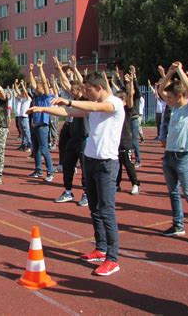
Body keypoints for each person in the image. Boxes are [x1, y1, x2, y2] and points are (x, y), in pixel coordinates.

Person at [28, 71, 125, 276]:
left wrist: (70, 101)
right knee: (94, 208)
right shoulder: (92, 105)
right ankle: (100, 248)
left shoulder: (114, 103)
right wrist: (44, 108)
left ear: (99, 88)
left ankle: (113, 258)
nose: (85, 94)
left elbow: (95, 106)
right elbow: (69, 113)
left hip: (107, 164)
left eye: (88, 90)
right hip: (90, 160)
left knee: (106, 210)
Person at [157, 61, 188, 247]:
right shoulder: (175, 108)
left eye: (170, 97)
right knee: (173, 193)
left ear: (179, 96)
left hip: (184, 158)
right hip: (169, 156)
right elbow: (161, 89)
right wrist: (169, 73)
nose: (166, 100)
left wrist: (180, 71)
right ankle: (178, 225)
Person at [52, 56, 88, 205]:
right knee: (67, 164)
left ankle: (87, 193)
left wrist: (74, 68)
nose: (70, 91)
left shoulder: (86, 100)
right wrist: (60, 69)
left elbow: (80, 83)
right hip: (73, 137)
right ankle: (68, 191)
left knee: (85, 168)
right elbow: (66, 84)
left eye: (74, 90)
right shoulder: (72, 99)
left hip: (84, 138)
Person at [27, 59, 54, 182]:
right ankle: (38, 170)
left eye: (39, 86)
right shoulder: (36, 96)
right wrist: (31, 71)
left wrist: (41, 68)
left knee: (44, 149)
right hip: (34, 125)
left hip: (43, 125)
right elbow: (33, 84)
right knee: (36, 149)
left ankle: (50, 172)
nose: (36, 86)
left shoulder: (46, 96)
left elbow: (43, 81)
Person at [115, 75, 140, 195]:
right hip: (115, 141)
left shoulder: (127, 109)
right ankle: (116, 184)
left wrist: (130, 83)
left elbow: (130, 96)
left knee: (128, 164)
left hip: (126, 141)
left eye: (119, 99)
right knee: (116, 166)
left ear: (124, 101)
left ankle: (135, 183)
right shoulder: (113, 110)